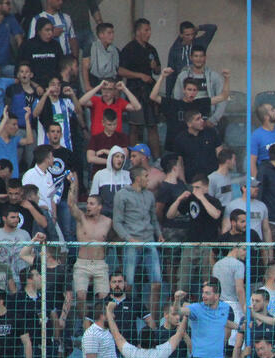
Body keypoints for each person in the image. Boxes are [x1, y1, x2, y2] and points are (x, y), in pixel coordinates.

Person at [175, 280, 237, 358]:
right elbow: (179, 311)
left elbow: (223, 322)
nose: (203, 296)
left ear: (217, 295)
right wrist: (176, 300)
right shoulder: (196, 308)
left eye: (207, 293)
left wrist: (240, 327)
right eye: (203, 293)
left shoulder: (225, 308)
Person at [113, 165, 162, 316]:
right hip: (132, 242)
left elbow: (153, 218)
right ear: (138, 178)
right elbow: (117, 222)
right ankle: (128, 314)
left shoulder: (150, 195)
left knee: (157, 282)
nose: (148, 179)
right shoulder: (122, 195)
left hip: (148, 240)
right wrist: (129, 239)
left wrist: (159, 234)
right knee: (129, 283)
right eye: (146, 176)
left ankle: (152, 319)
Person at [118, 18, 161, 154]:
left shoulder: (151, 49)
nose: (149, 33)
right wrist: (140, 75)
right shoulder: (129, 49)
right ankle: (134, 157)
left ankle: (157, 159)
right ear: (137, 31)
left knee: (152, 126)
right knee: (134, 127)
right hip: (134, 91)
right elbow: (121, 70)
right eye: (146, 30)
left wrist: (155, 67)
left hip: (149, 91)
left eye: (149, 30)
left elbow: (158, 70)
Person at [83, 22, 118, 87]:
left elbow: (117, 69)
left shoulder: (115, 50)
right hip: (95, 84)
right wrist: (87, 85)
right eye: (109, 33)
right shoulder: (90, 48)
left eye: (113, 33)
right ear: (101, 34)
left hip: (111, 85)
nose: (112, 35)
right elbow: (85, 68)